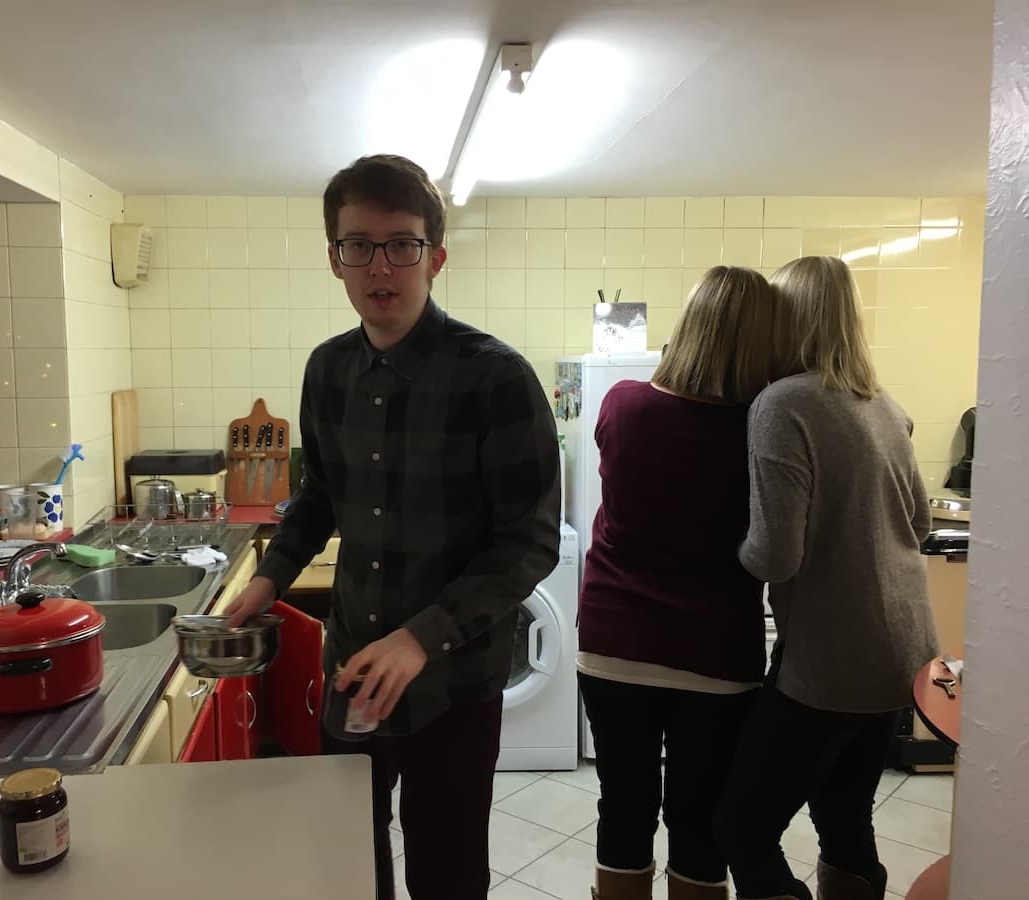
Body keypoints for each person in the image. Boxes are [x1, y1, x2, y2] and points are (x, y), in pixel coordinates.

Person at [224, 154, 561, 900]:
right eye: (360, 245)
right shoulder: (327, 371)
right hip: (351, 672)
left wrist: (419, 638)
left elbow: (530, 540)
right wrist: (271, 575)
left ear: (434, 257)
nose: (382, 265)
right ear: (335, 260)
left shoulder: (495, 379)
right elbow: (319, 496)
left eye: (402, 243)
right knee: (347, 860)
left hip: (454, 684)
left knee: (446, 874)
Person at [713, 256, 939, 900]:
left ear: (788, 320)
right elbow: (918, 520)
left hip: (832, 660)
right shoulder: (882, 403)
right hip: (906, 652)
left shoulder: (783, 403)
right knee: (844, 817)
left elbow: (774, 556)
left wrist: (723, 549)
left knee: (742, 829)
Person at [577, 266, 776, 900]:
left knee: (624, 810)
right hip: (716, 656)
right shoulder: (761, 425)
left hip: (614, 645)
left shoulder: (625, 403)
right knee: (699, 822)